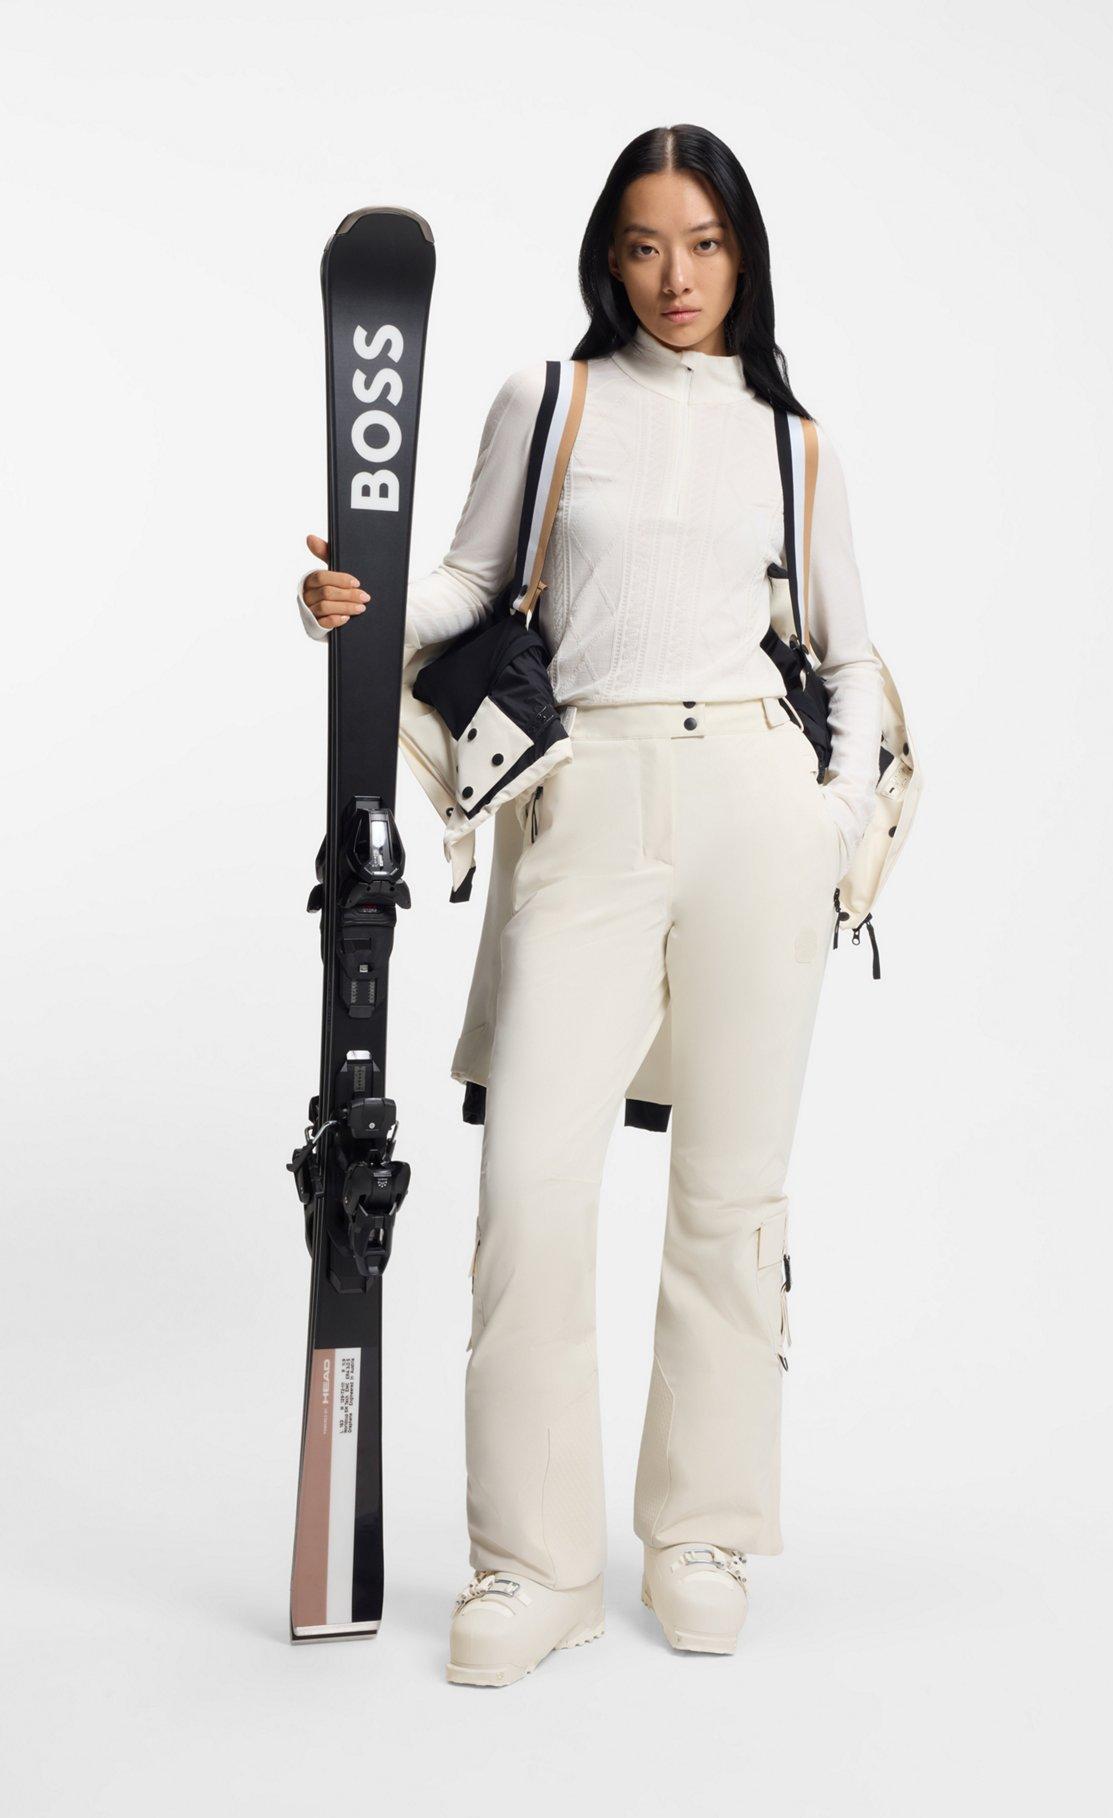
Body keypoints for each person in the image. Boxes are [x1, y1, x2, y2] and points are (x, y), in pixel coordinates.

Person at [297, 123, 883, 1687]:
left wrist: (830, 825)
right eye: (645, 244)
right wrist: (351, 599)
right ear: (607, 257)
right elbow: (466, 587)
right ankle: (534, 1563)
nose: (676, 277)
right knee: (533, 1195)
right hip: (590, 804)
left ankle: (700, 1533)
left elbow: (850, 656)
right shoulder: (547, 401)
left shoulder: (795, 444)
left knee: (732, 1195)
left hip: (757, 808)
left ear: (742, 254)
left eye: (704, 244)